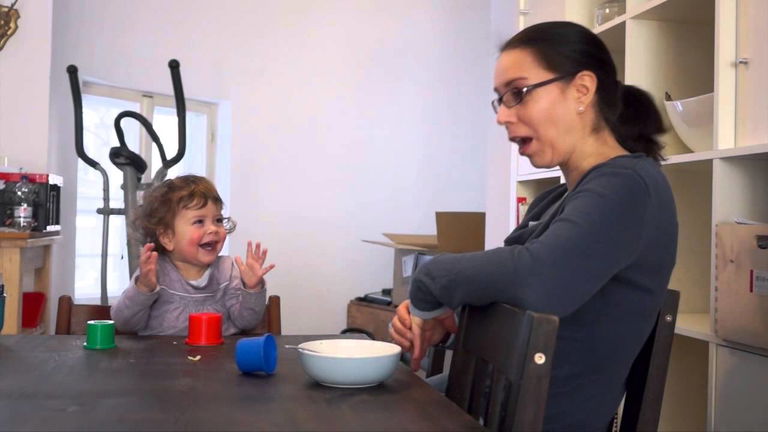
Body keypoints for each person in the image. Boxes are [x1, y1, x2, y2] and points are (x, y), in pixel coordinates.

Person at [389, 21, 677, 431]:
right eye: (500, 100)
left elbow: (538, 280)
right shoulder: (554, 199)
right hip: (482, 402)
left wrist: (430, 278)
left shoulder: (629, 187)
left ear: (581, 90)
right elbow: (510, 298)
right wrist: (445, 324)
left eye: (518, 93)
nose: (503, 116)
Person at [111, 174, 275, 336]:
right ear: (168, 237)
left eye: (218, 220)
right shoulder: (154, 272)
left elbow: (246, 322)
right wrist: (144, 289)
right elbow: (125, 324)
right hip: (161, 353)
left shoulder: (227, 270)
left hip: (219, 353)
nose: (213, 229)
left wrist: (252, 288)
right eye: (199, 222)